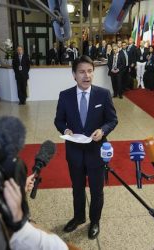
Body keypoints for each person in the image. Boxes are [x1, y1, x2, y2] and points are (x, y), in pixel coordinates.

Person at [54, 55, 118, 239]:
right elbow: (58, 120)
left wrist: (103, 130)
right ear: (74, 74)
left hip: (96, 151)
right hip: (74, 152)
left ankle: (95, 221)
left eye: (90, 71)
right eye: (82, 71)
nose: (86, 75)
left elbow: (112, 120)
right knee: (77, 187)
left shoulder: (103, 94)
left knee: (97, 190)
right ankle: (79, 217)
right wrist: (65, 129)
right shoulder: (65, 96)